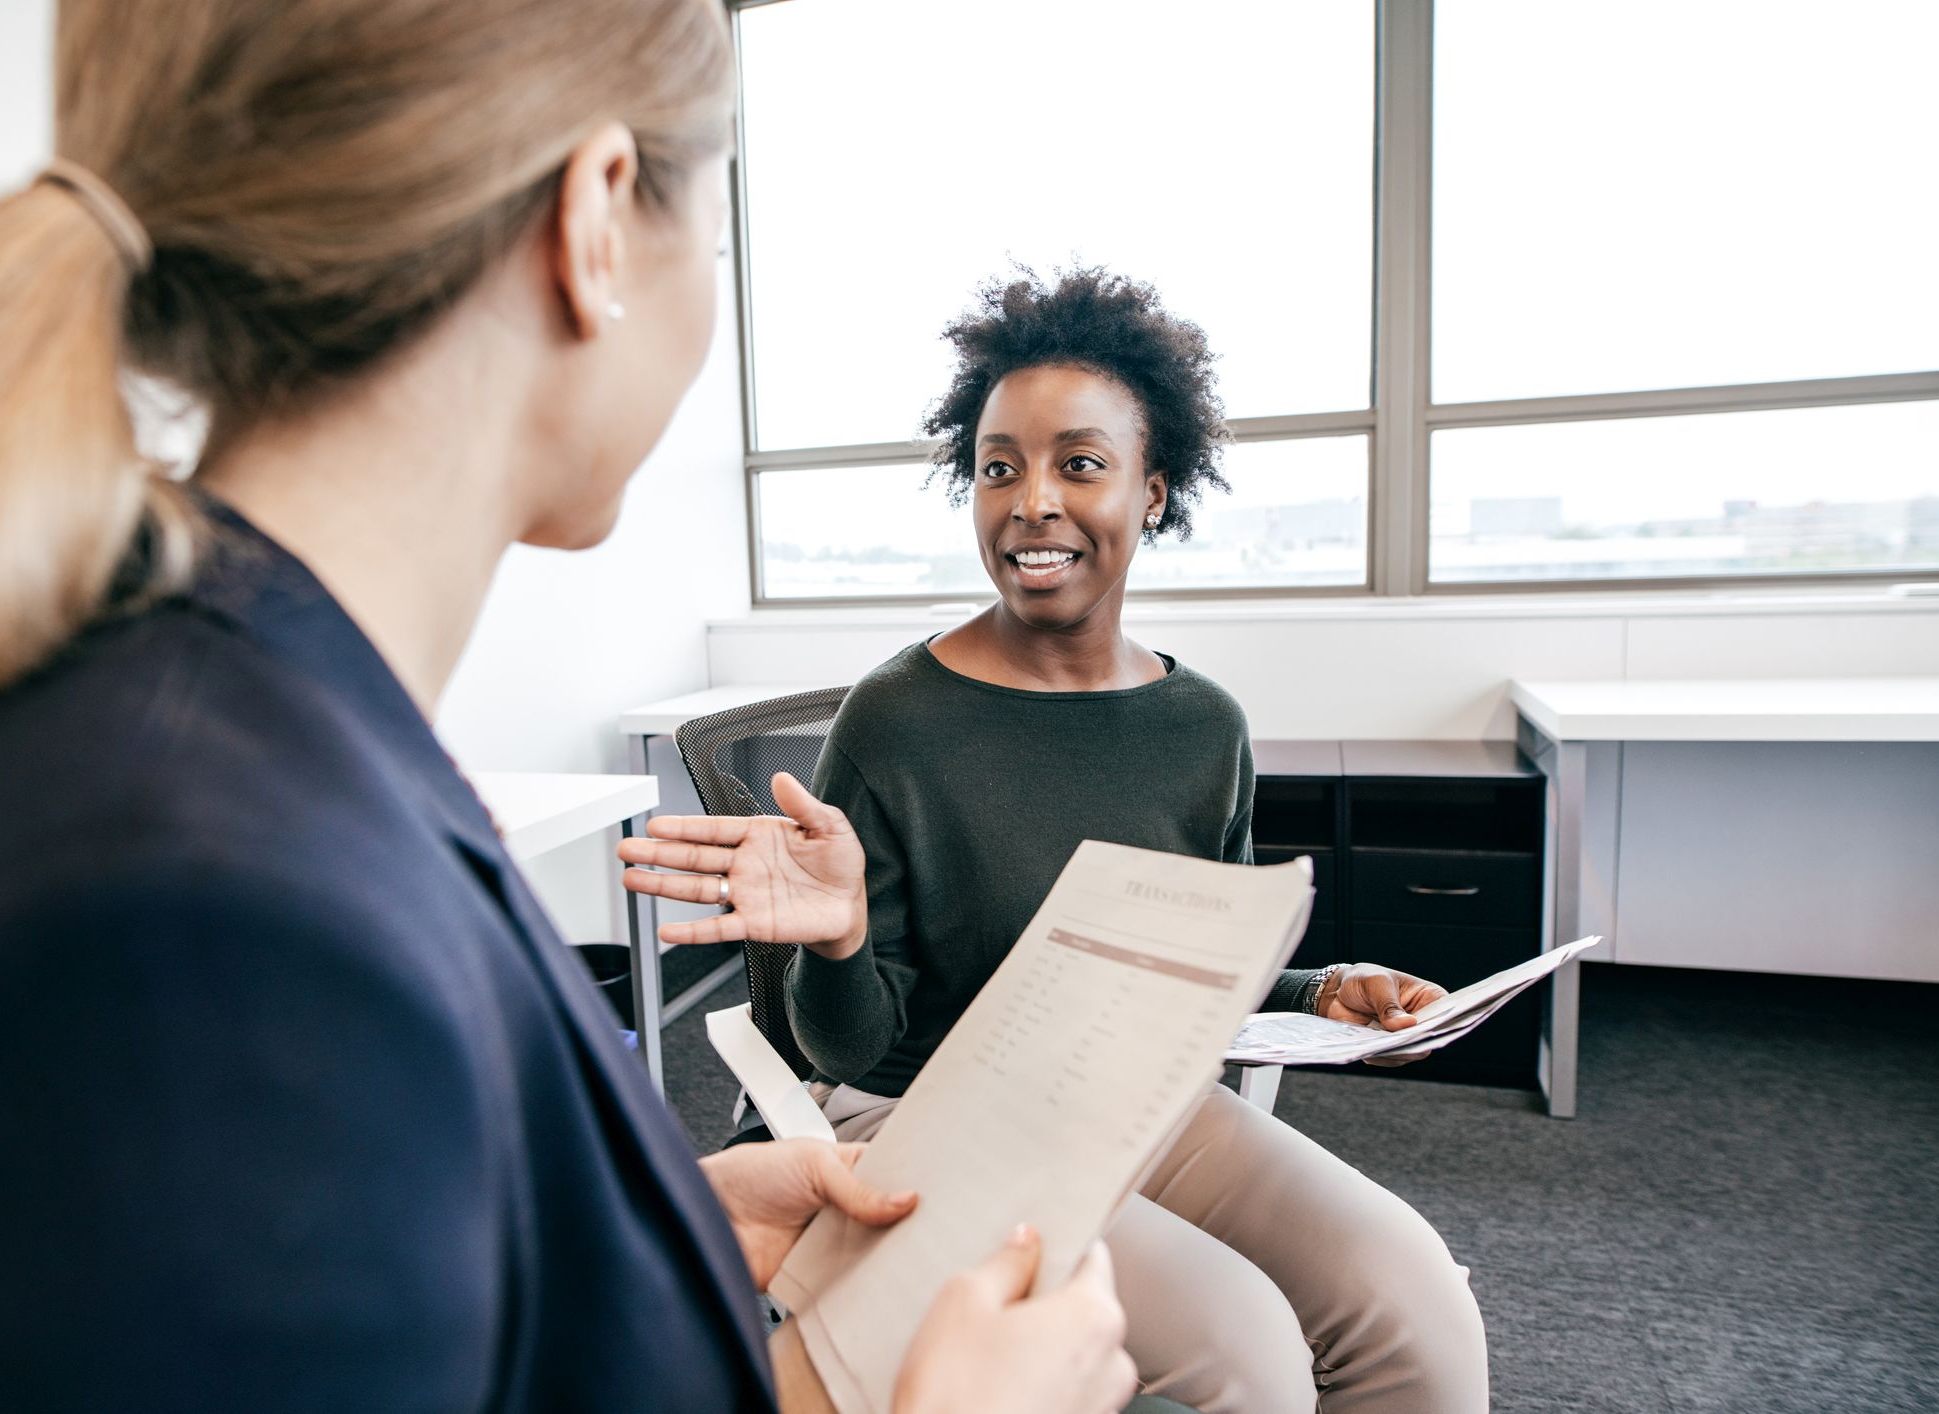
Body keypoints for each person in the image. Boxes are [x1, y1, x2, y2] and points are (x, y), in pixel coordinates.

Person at [0, 4, 1139, 1411]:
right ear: (599, 217)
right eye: (721, 224)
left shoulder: (237, 740)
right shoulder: (211, 928)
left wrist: (649, 1235)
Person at [622, 269, 1492, 1412]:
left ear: (1153, 491)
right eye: (997, 467)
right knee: (1249, 1354)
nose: (1030, 500)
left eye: (1079, 464)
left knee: (1416, 1300)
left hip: (1122, 1090)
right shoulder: (897, 722)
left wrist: (1319, 986)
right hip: (913, 1107)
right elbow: (845, 1050)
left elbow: (1179, 977)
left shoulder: (1203, 728)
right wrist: (836, 943)